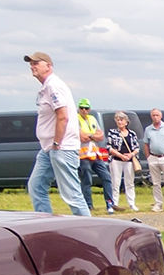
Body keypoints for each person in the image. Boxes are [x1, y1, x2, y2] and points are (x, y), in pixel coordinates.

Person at [23, 51, 88, 216]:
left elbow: (63, 116)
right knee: (36, 186)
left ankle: (90, 232)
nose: (32, 66)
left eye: (36, 63)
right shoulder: (46, 87)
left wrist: (57, 143)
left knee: (71, 194)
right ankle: (45, 226)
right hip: (48, 148)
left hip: (61, 147)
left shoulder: (54, 85)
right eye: (31, 63)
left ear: (48, 66)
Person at [75, 98, 116, 213]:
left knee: (106, 177)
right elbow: (81, 137)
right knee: (86, 180)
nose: (84, 110)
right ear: (78, 108)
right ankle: (88, 205)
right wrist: (93, 136)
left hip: (95, 153)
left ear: (89, 109)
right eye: (81, 108)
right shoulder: (75, 119)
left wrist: (90, 136)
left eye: (86, 108)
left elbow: (101, 135)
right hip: (83, 155)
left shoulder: (92, 119)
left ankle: (109, 203)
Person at [143, 108, 164, 211]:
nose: (155, 117)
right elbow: (146, 143)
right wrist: (148, 156)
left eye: (157, 115)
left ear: (161, 116)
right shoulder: (148, 129)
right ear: (151, 117)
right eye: (153, 115)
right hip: (153, 157)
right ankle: (158, 204)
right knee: (155, 183)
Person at [106, 110, 140, 211]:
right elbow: (109, 147)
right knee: (115, 182)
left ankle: (131, 203)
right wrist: (120, 155)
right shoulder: (112, 132)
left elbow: (137, 148)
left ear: (126, 122)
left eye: (121, 120)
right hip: (116, 160)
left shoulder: (132, 134)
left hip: (129, 161)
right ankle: (114, 203)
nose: (119, 122)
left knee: (129, 182)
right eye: (118, 120)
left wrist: (131, 155)